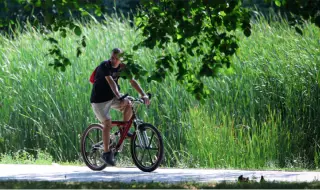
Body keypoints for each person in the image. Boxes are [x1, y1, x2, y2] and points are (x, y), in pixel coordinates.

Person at [90, 48, 150, 166]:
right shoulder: (104, 66)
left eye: (116, 58)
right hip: (99, 101)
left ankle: (123, 129)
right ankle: (106, 153)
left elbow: (132, 81)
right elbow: (112, 83)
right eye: (112, 57)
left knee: (129, 104)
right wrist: (120, 97)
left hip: (111, 98)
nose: (113, 60)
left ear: (121, 60)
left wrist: (143, 94)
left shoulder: (123, 67)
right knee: (107, 123)